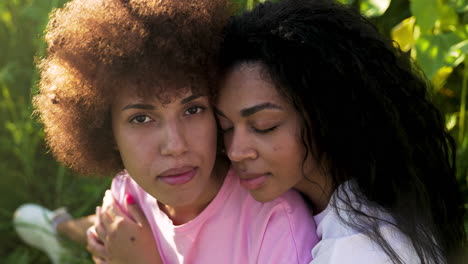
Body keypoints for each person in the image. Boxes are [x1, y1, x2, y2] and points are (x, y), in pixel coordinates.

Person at [88, 0, 466, 263]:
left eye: (264, 126)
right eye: (225, 127)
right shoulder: (359, 197)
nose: (235, 151)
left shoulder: (359, 250)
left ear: (327, 116)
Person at [13, 0, 318, 263]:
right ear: (107, 131)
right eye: (141, 119)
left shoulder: (277, 228)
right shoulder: (128, 190)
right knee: (97, 229)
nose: (175, 145)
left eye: (192, 109)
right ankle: (60, 228)